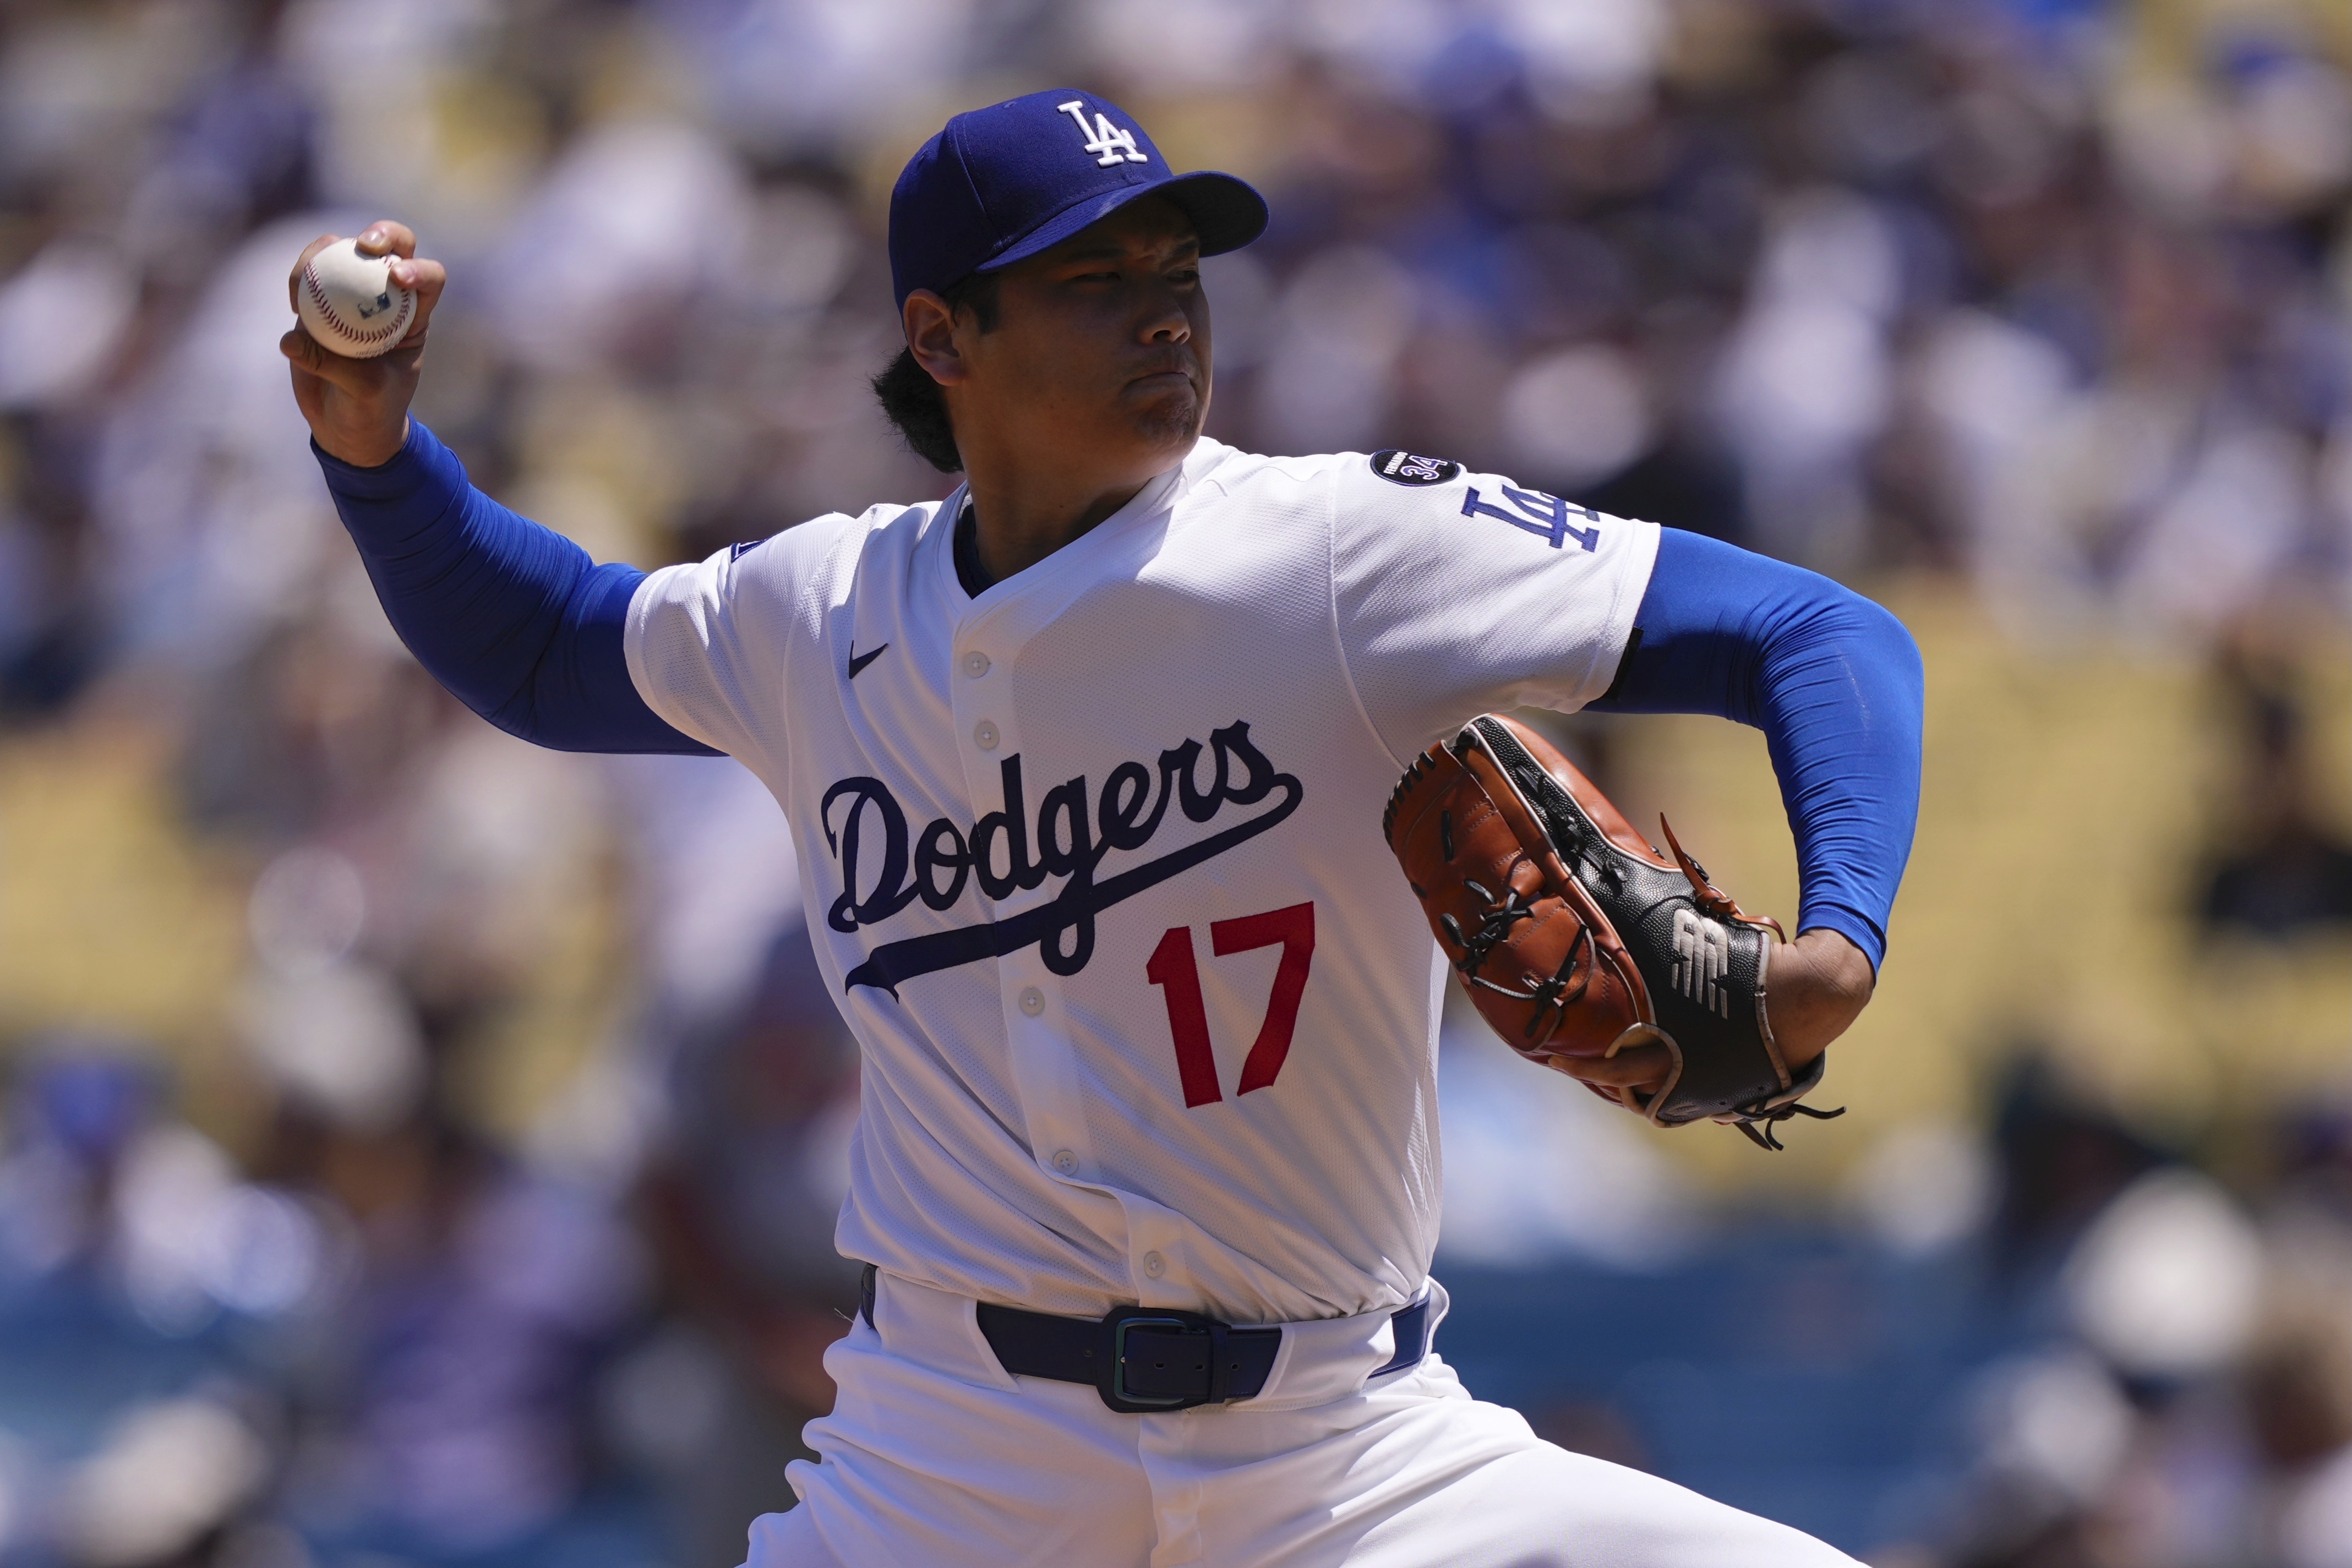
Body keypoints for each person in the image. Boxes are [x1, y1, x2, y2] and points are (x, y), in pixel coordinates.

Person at [283, 89, 1920, 1568]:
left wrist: (1838, 930)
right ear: (942, 336)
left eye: (1177, 275)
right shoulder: (819, 609)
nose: (1162, 319)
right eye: (1095, 283)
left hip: (1347, 1455)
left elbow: (1823, 634)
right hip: (950, 1455)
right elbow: (553, 643)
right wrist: (378, 459)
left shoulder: (1337, 551)